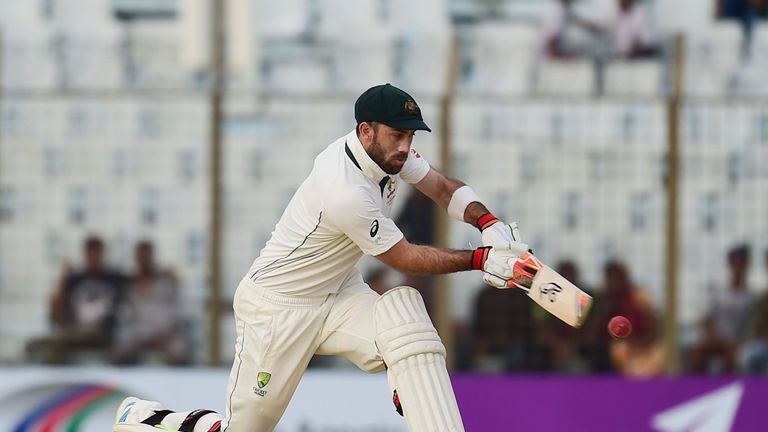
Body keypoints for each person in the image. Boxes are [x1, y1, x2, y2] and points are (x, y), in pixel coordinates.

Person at [113, 83, 532, 432]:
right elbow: (405, 258)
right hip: (278, 309)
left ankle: (405, 385)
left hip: (338, 290)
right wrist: (480, 260)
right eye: (397, 135)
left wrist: (488, 222)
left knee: (408, 326)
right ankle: (148, 419)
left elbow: (440, 187)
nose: (406, 147)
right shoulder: (345, 190)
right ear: (366, 131)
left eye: (411, 137)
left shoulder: (388, 153)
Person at [28, 236, 126, 364]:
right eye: (90, 253)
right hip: (74, 331)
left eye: (96, 253)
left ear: (102, 254)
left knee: (60, 342)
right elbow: (57, 310)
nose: (93, 258)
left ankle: (53, 366)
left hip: (101, 333)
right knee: (34, 345)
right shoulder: (75, 280)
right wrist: (63, 282)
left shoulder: (114, 278)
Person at [112, 240, 188, 365]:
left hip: (165, 333)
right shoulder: (131, 284)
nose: (144, 261)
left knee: (179, 351)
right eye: (141, 257)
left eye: (146, 256)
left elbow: (179, 311)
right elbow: (125, 314)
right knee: (120, 350)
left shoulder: (166, 282)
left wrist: (168, 332)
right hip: (140, 334)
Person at [690, 245, 757, 373]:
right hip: (717, 340)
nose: (738, 268)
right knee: (697, 354)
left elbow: (752, 328)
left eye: (741, 264)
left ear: (746, 267)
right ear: (730, 266)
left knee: (732, 356)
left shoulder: (751, 297)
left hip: (738, 343)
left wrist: (740, 342)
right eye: (735, 264)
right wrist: (718, 338)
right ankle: (693, 384)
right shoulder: (718, 293)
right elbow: (707, 320)